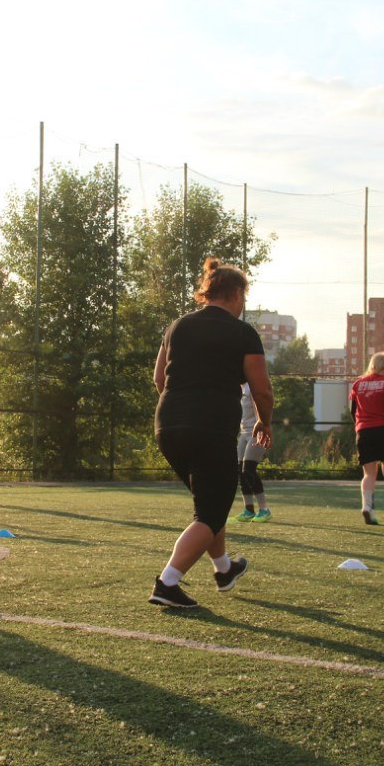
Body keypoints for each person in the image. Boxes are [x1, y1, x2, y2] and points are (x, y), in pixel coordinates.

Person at [150, 256, 273, 608]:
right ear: (235, 293)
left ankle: (224, 569)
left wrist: (180, 410)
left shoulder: (177, 326)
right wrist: (264, 421)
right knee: (210, 512)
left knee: (210, 504)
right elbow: (261, 390)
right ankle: (167, 583)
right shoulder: (242, 332)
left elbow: (159, 379)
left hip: (168, 425)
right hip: (211, 427)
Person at [349, 352, 384, 525]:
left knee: (368, 474)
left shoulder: (358, 384)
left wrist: (359, 424)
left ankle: (367, 507)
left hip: (364, 431)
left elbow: (353, 409)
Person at [232, 382, 272, 523]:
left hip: (257, 432)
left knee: (248, 469)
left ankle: (264, 510)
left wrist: (262, 424)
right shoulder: (240, 387)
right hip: (244, 434)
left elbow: (261, 404)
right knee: (240, 471)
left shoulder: (252, 386)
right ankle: (249, 510)